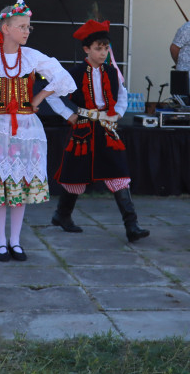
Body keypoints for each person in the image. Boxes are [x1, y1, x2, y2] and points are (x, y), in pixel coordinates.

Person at [0, 0, 76, 262]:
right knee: (0, 185)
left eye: (29, 27)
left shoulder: (32, 56)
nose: (27, 31)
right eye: (22, 26)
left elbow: (63, 77)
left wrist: (37, 99)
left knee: (19, 183)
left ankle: (15, 241)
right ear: (5, 28)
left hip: (26, 127)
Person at [46, 19, 150, 242]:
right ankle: (62, 215)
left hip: (107, 129)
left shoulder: (112, 72)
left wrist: (117, 114)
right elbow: (52, 94)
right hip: (83, 129)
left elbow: (122, 95)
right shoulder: (73, 73)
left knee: (119, 174)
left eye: (106, 48)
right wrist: (69, 115)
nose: (103, 53)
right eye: (98, 49)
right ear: (86, 49)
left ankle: (132, 226)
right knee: (75, 176)